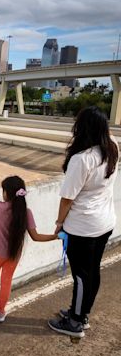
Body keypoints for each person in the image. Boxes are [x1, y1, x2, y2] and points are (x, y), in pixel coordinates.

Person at [48, 106, 119, 339]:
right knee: (92, 271)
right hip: (104, 223)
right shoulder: (112, 147)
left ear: (82, 128)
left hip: (82, 227)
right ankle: (82, 313)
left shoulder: (82, 159)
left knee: (80, 275)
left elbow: (67, 198)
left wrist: (59, 223)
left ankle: (76, 322)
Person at [0, 175, 57, 322]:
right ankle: (1, 311)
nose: (2, 194)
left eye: (3, 190)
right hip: (13, 254)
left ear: (7, 193)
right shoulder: (26, 212)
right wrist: (56, 236)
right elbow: (36, 236)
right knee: (6, 281)